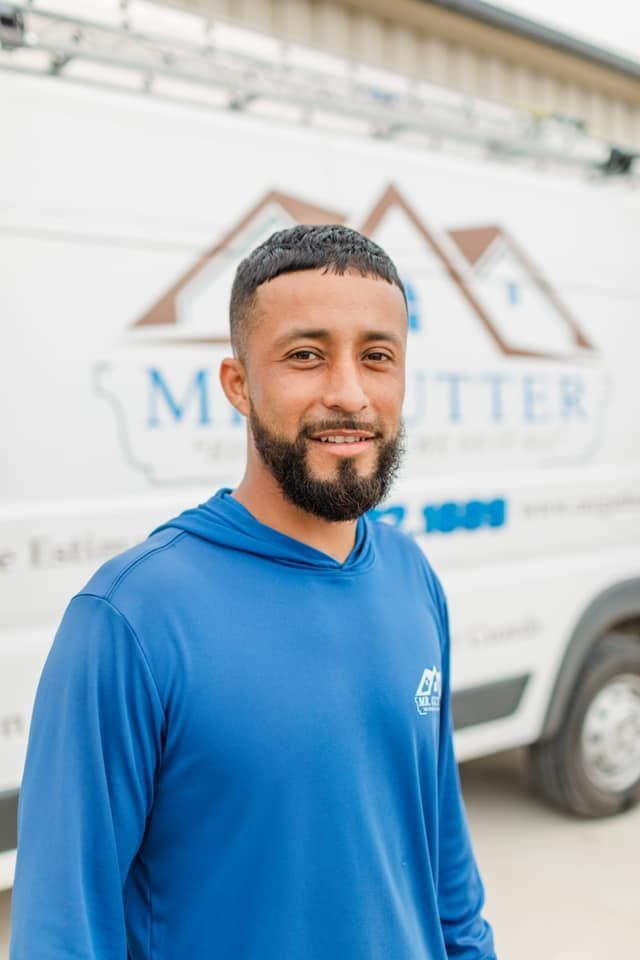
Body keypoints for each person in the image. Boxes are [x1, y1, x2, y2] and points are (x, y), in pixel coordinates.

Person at [10, 225, 497, 959]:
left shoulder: (411, 576)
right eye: (306, 356)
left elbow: (444, 862)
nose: (349, 394)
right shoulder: (130, 618)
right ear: (238, 384)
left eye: (377, 357)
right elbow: (63, 930)